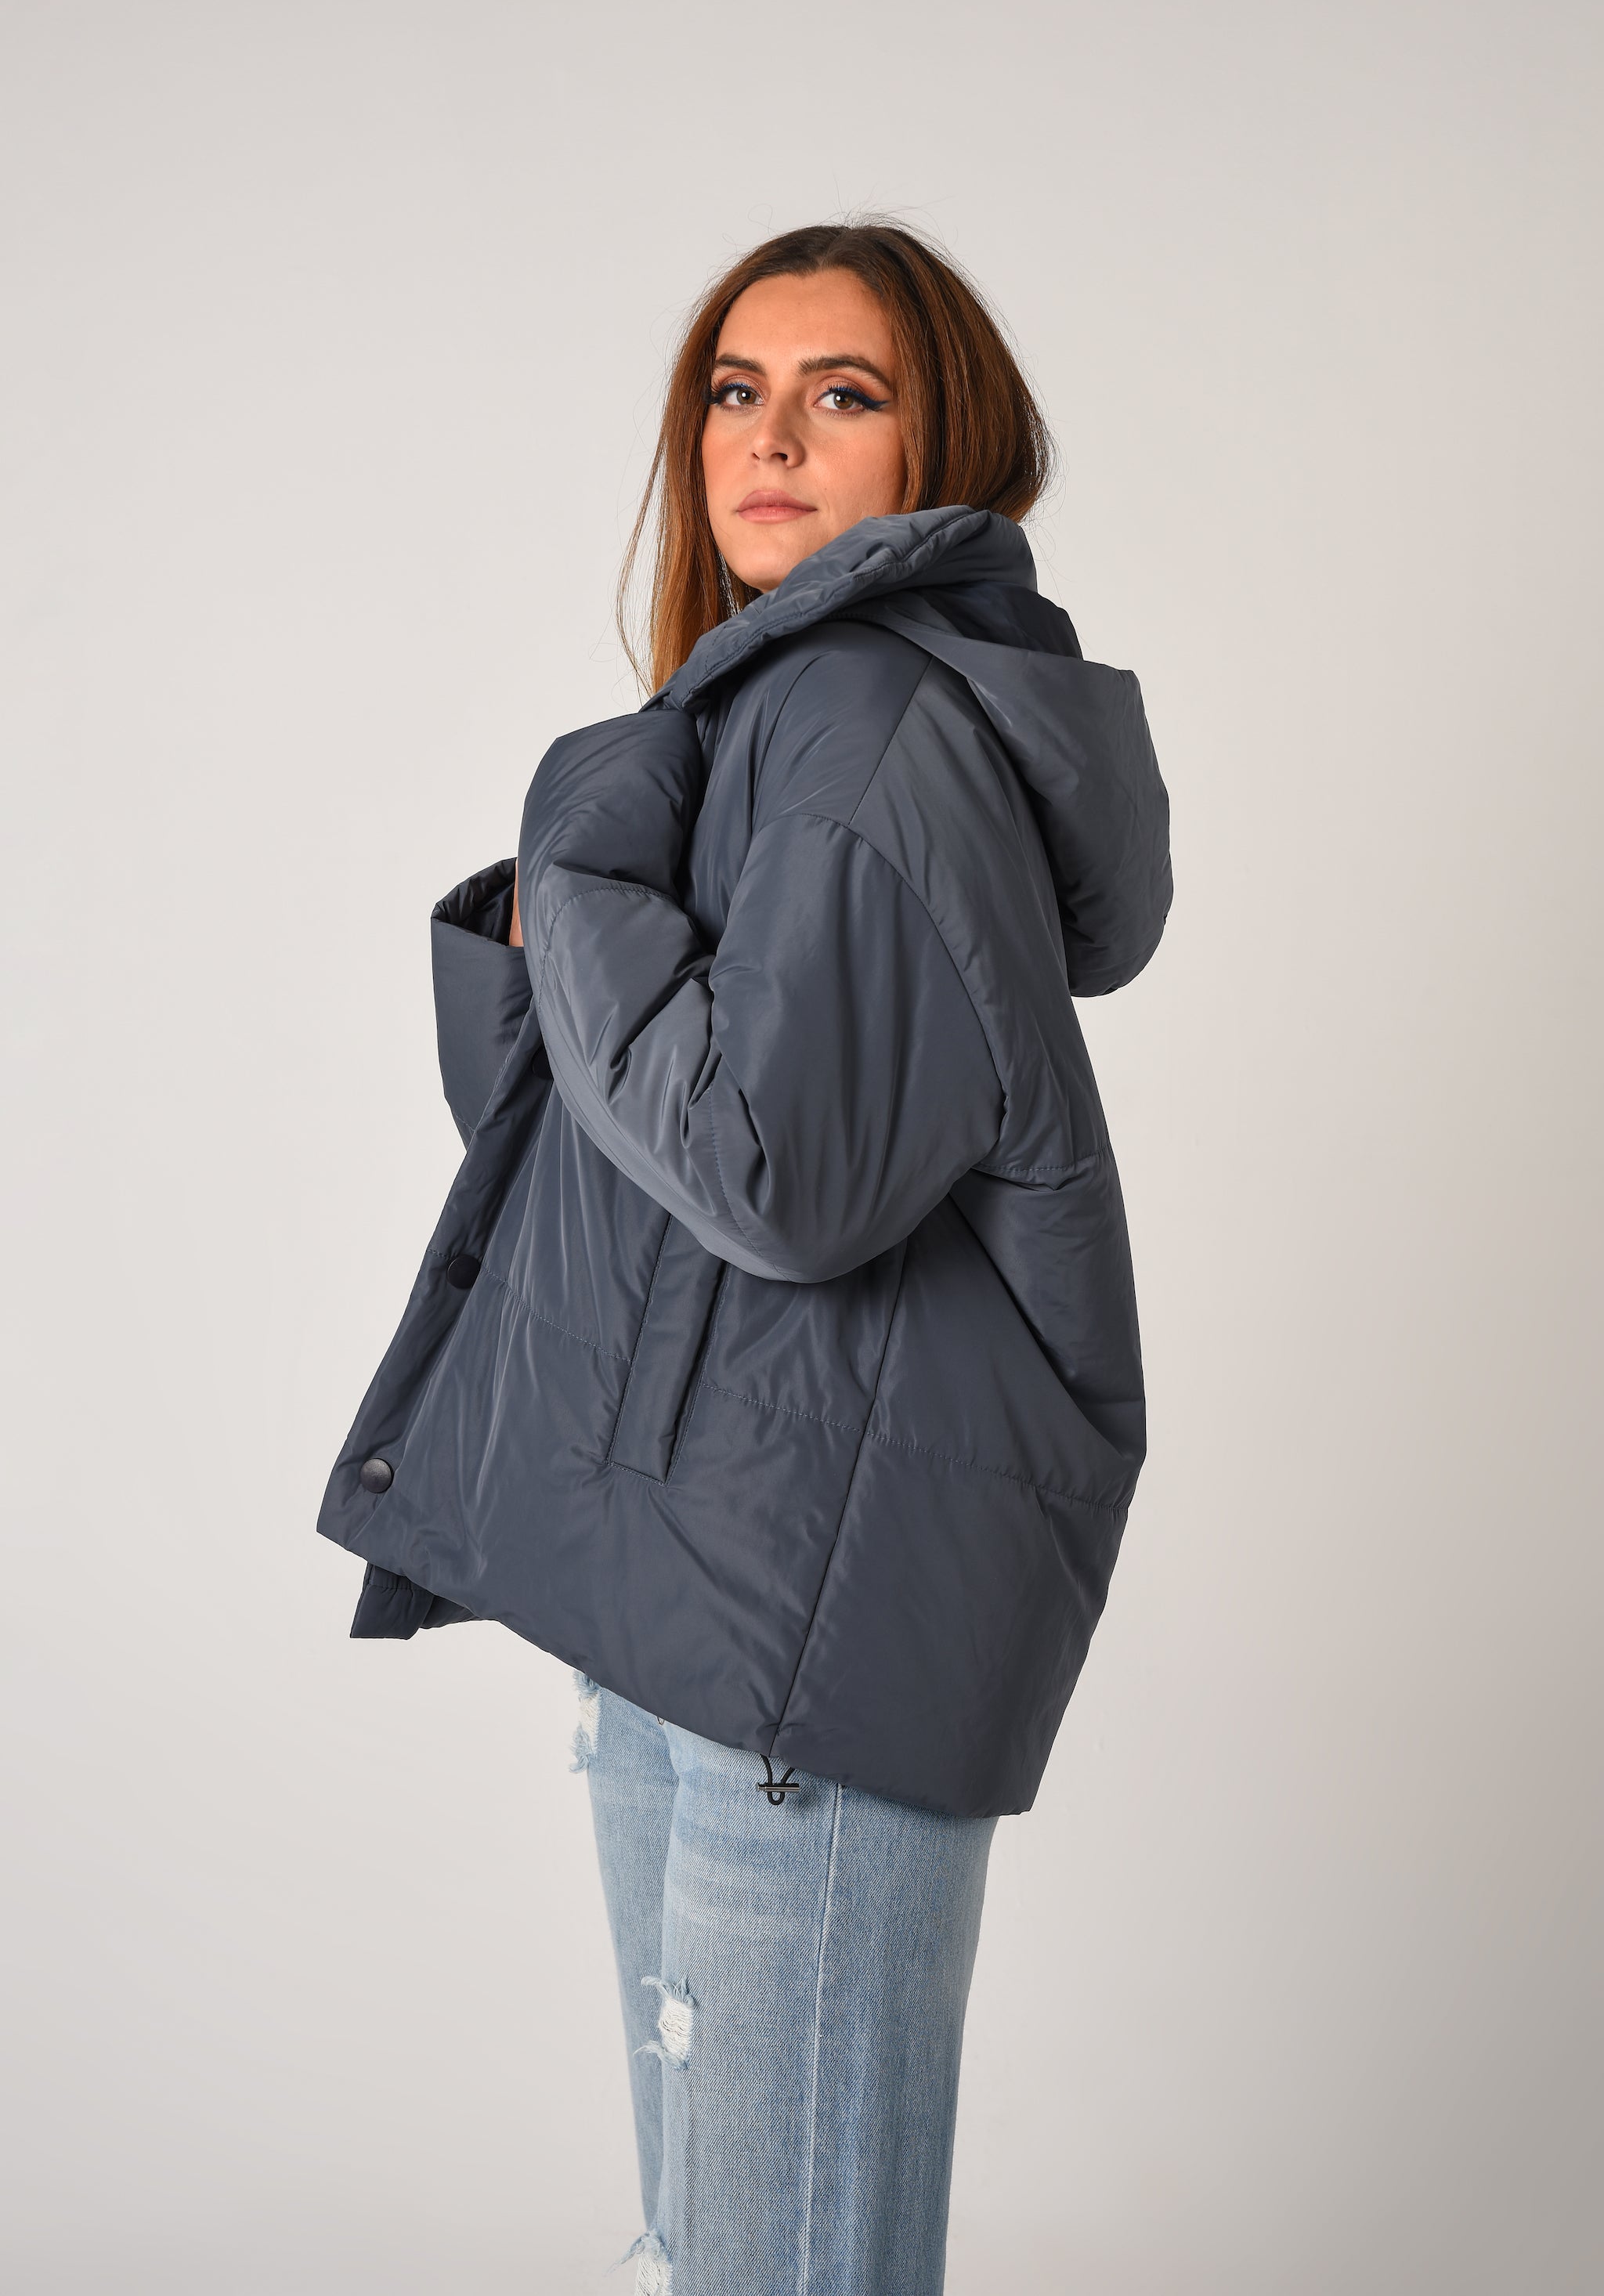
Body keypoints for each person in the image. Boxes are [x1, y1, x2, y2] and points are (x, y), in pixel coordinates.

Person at [318, 220, 1171, 2295]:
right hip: (713, 1596)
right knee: (724, 2256)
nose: (769, 437)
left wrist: (580, 854)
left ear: (941, 445)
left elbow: (783, 1177)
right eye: (734, 391)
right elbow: (615, 1179)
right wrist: (552, 918)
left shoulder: (870, 723)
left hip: (807, 1633)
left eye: (839, 394)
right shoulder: (764, 717)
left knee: (779, 2268)